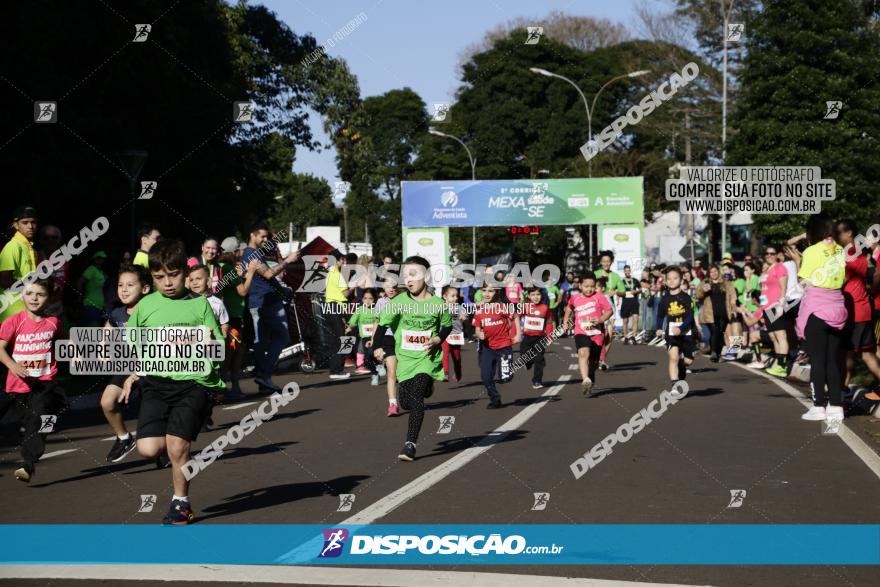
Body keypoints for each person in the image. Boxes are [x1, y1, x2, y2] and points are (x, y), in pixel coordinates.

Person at [120, 239, 225, 524]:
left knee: (178, 446)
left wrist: (212, 342)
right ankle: (176, 437)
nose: (167, 283)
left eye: (174, 274)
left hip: (193, 383)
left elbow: (219, 347)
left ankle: (181, 503)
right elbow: (134, 346)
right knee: (148, 449)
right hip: (156, 383)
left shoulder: (200, 304)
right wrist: (133, 374)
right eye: (159, 277)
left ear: (185, 273)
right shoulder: (145, 306)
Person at [373, 256, 452, 461]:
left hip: (427, 359)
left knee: (417, 397)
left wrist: (437, 339)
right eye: (405, 275)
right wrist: (377, 347)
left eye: (413, 274)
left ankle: (410, 444)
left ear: (426, 276)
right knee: (407, 402)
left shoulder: (437, 303)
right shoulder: (398, 302)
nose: (408, 279)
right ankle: (428, 387)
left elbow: (447, 326)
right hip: (405, 359)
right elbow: (382, 326)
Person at [0, 277, 66, 482]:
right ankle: (42, 431)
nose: (34, 298)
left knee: (38, 417)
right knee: (35, 421)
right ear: (22, 295)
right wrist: (13, 365)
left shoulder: (53, 322)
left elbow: (65, 341)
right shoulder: (14, 321)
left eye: (40, 294)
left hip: (43, 382)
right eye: (30, 293)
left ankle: (27, 464)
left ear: (48, 298)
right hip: (17, 384)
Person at [796, 215, 848, 423]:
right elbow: (842, 279)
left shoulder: (811, 251)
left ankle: (819, 407)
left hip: (816, 310)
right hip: (837, 309)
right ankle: (836, 407)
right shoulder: (840, 250)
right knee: (832, 360)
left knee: (818, 360)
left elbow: (804, 281)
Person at [102, 264, 152, 463]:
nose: (123, 289)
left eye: (130, 285)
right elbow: (108, 330)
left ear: (145, 288)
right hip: (126, 365)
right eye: (120, 285)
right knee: (107, 402)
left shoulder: (153, 312)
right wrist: (102, 348)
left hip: (152, 368)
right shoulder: (118, 313)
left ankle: (164, 447)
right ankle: (124, 438)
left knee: (151, 418)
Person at [242, 224, 301, 391]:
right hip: (265, 303)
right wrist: (288, 261)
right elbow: (268, 273)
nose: (266, 240)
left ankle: (264, 380)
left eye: (267, 237)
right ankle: (264, 375)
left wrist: (282, 290)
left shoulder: (255, 254)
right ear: (252, 235)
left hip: (263, 301)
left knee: (262, 342)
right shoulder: (251, 254)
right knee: (281, 338)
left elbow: (266, 278)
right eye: (262, 236)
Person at [836, 220, 880, 385]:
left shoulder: (851, 253)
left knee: (844, 355)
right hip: (860, 310)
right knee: (866, 355)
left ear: (849, 233)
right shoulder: (856, 252)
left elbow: (838, 281)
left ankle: (841, 395)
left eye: (839, 232)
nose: (836, 236)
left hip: (854, 312)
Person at [563, 272, 613, 396]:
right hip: (581, 331)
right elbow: (569, 308)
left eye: (592, 286)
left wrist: (601, 319)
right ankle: (585, 379)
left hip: (597, 333)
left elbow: (609, 311)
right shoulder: (575, 298)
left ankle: (590, 376)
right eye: (586, 286)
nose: (589, 289)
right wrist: (565, 322)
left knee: (593, 362)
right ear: (580, 285)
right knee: (583, 352)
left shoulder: (599, 297)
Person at [473, 284, 521, 408]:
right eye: (484, 290)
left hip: (504, 345)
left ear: (497, 293)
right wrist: (480, 333)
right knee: (485, 377)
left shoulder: (502, 307)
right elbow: (477, 329)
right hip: (487, 347)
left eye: (490, 291)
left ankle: (507, 371)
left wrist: (518, 334)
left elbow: (515, 316)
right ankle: (495, 399)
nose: (487, 294)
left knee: (505, 378)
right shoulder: (479, 310)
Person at [655, 267, 696, 388]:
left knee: (688, 361)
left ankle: (682, 367)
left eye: (675, 278)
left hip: (686, 331)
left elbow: (690, 315)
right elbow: (660, 315)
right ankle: (674, 384)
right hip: (671, 333)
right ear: (665, 282)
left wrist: (681, 328)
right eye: (669, 279)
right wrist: (658, 328)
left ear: (681, 279)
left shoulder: (686, 298)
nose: (672, 281)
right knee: (673, 357)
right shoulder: (664, 299)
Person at [0, 205, 39, 323]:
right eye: (25, 222)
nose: (30, 226)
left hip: (26, 311)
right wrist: (33, 289)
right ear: (16, 225)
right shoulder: (13, 246)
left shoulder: (31, 249)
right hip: (11, 313)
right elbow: (4, 280)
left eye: (33, 222)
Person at [325, 252, 358, 380]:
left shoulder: (330, 273)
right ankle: (337, 370)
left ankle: (336, 369)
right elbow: (346, 293)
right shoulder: (337, 274)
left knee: (337, 339)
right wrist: (353, 285)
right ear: (337, 261)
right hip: (336, 307)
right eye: (342, 260)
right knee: (341, 338)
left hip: (332, 307)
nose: (344, 262)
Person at [758, 246, 790, 376]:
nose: (769, 255)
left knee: (780, 335)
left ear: (777, 255)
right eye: (767, 253)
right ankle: (778, 364)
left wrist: (781, 305)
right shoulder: (766, 269)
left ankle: (782, 366)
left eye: (772, 253)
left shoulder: (779, 267)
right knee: (773, 336)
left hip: (776, 305)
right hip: (767, 308)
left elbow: (783, 287)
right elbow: (763, 290)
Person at [696, 265, 736, 363]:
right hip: (711, 314)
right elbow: (697, 295)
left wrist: (733, 309)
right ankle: (714, 352)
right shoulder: (705, 282)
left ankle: (724, 353)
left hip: (724, 312)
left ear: (719, 271)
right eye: (711, 272)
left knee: (722, 333)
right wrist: (703, 290)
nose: (714, 273)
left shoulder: (726, 283)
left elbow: (733, 296)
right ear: (709, 274)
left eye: (715, 271)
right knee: (715, 332)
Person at [594, 251, 625, 370]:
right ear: (600, 262)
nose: (606, 263)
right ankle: (596, 357)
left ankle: (601, 360)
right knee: (598, 335)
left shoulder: (616, 276)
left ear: (611, 262)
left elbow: (622, 292)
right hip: (596, 307)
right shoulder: (595, 273)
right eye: (604, 261)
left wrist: (616, 292)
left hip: (609, 308)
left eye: (608, 261)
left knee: (609, 336)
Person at [374, 282, 401, 416]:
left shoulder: (405, 300)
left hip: (403, 339)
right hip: (387, 339)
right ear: (383, 287)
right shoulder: (380, 302)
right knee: (392, 372)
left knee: (405, 373)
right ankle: (393, 404)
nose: (391, 289)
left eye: (393, 286)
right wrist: (374, 343)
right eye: (388, 285)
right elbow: (377, 323)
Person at [520, 286, 554, 389]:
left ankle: (537, 381)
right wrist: (515, 332)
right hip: (527, 337)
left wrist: (549, 337)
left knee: (539, 359)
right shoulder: (525, 306)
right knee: (524, 356)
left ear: (541, 296)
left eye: (538, 294)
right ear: (529, 296)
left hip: (539, 337)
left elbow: (549, 322)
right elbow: (516, 317)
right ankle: (528, 363)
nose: (536, 297)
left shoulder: (545, 308)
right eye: (533, 295)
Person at [346, 288, 380, 385]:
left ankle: (380, 365)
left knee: (376, 354)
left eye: (371, 298)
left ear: (375, 299)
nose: (368, 301)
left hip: (376, 337)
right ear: (362, 299)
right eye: (365, 298)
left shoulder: (377, 310)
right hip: (365, 338)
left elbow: (382, 321)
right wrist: (349, 328)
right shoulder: (360, 310)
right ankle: (374, 373)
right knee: (368, 357)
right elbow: (353, 321)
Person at [441, 286, 465, 383]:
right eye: (453, 296)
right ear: (445, 296)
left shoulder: (458, 307)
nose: (456, 298)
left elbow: (464, 314)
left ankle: (458, 373)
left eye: (456, 296)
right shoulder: (441, 307)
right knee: (445, 353)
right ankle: (445, 373)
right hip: (445, 334)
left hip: (456, 335)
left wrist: (463, 316)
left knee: (456, 357)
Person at [77, 251, 108, 326]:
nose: (102, 260)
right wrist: (79, 298)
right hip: (90, 306)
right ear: (95, 260)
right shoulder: (91, 269)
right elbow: (79, 282)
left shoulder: (100, 272)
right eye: (99, 258)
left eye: (103, 258)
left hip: (100, 307)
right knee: (94, 333)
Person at [620, 265, 641, 345]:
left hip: (634, 302)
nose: (627, 272)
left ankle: (634, 337)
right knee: (625, 320)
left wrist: (635, 292)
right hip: (625, 302)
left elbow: (640, 289)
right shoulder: (621, 282)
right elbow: (619, 291)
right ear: (624, 271)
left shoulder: (635, 280)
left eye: (628, 270)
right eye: (626, 270)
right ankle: (625, 337)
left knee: (635, 319)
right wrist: (622, 294)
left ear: (630, 271)